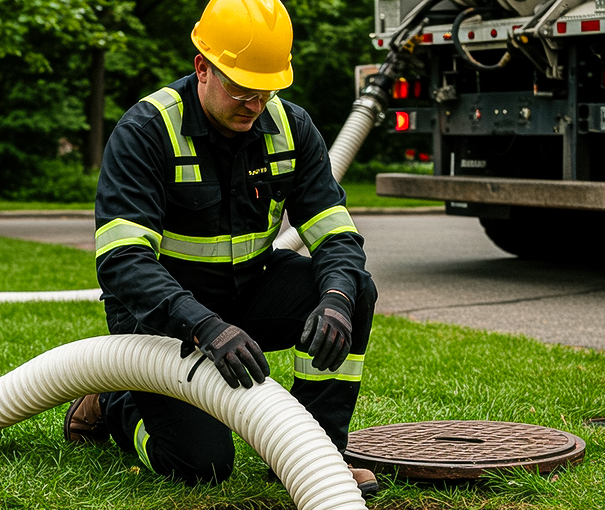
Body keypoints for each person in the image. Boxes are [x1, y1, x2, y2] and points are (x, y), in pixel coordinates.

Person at [63, 0, 378, 497]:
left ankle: (315, 455)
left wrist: (336, 299)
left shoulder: (292, 127)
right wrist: (203, 324)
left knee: (353, 289)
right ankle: (115, 404)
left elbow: (337, 234)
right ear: (202, 67)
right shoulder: (147, 132)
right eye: (240, 88)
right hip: (161, 320)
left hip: (247, 293)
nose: (254, 104)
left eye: (266, 89)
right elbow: (122, 262)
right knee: (200, 465)